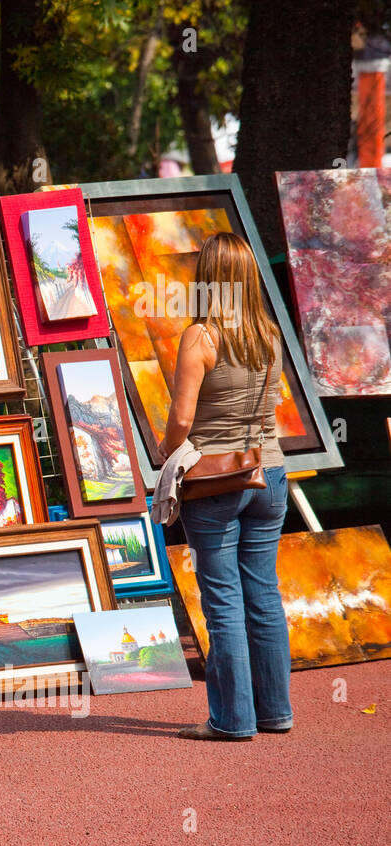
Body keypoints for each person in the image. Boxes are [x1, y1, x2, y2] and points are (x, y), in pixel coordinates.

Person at [157, 231, 291, 741]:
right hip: (270, 474)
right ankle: (275, 711)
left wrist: (169, 454)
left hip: (215, 481)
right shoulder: (269, 333)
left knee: (222, 601)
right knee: (264, 595)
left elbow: (181, 419)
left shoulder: (200, 336)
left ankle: (232, 720)